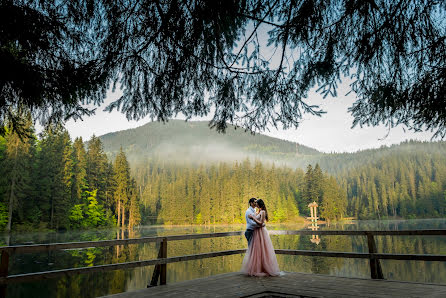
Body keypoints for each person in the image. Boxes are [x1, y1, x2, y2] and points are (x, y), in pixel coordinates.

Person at [241, 199, 280, 276]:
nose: (256, 204)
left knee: (261, 250)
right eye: (255, 203)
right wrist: (255, 218)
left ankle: (262, 267)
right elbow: (257, 223)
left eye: (257, 203)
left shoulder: (262, 212)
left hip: (260, 232)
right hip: (255, 232)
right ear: (251, 203)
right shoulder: (253, 211)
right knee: (255, 251)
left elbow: (260, 223)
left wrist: (253, 218)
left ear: (259, 205)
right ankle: (256, 268)